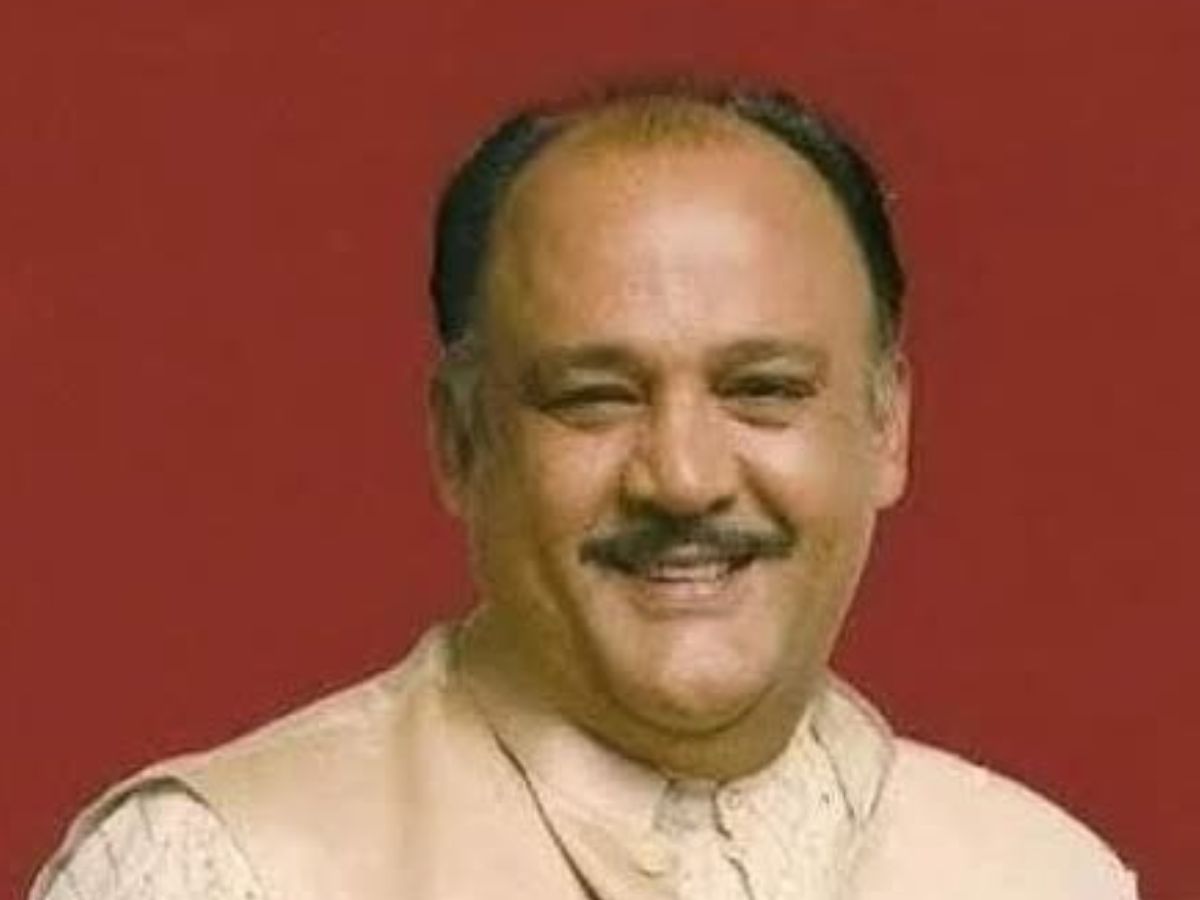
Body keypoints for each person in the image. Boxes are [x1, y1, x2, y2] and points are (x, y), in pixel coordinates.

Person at [30, 79, 1138, 900]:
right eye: (595, 398)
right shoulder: (218, 871)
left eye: (762, 390)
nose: (685, 478)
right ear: (462, 441)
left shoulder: (1049, 877)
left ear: (887, 427)